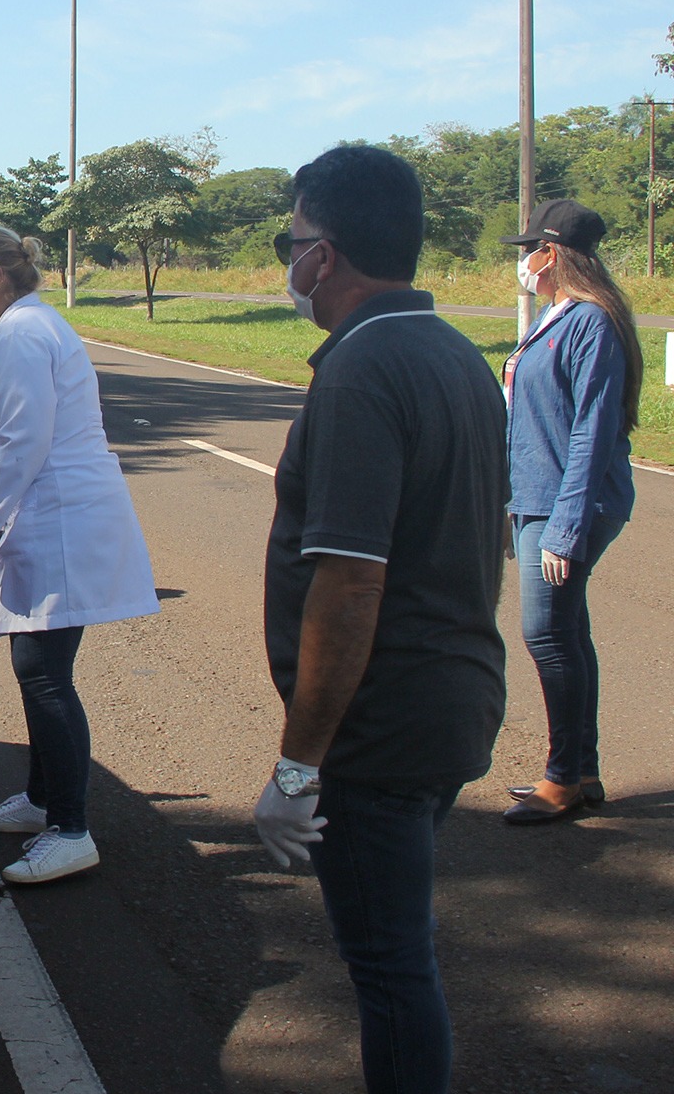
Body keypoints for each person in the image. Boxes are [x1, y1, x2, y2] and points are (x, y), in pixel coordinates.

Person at [254, 146, 508, 1094]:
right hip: (449, 697)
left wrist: (298, 766)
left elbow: (351, 585)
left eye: (291, 242)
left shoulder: (364, 370)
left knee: (392, 969)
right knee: (398, 957)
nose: (290, 261)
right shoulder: (454, 353)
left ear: (323, 254)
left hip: (382, 726)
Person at [0, 227, 158, 885]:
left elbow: (25, 441)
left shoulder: (22, 333)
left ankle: (70, 829)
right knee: (37, 665)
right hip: (57, 508)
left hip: (62, 512)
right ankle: (44, 799)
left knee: (44, 673)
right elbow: (12, 424)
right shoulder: (25, 328)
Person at [496, 199, 642, 823]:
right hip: (538, 496)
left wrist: (566, 525)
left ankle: (562, 780)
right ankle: (582, 771)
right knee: (567, 632)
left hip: (567, 501)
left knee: (547, 635)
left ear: (551, 254)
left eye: (529, 250)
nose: (523, 262)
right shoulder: (554, 316)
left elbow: (593, 430)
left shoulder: (591, 322)